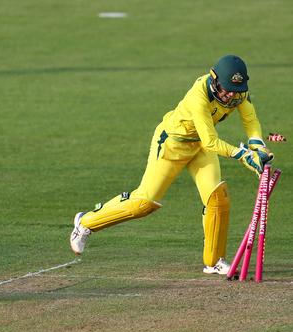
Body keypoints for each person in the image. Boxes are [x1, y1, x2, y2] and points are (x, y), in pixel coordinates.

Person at [69, 55, 273, 275]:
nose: (232, 95)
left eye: (237, 89)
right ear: (214, 80)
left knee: (217, 198)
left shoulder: (238, 92)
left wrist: (258, 148)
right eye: (227, 88)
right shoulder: (199, 96)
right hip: (173, 145)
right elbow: (211, 141)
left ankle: (214, 261)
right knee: (143, 203)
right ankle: (85, 223)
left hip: (200, 148)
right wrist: (243, 155)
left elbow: (250, 121)